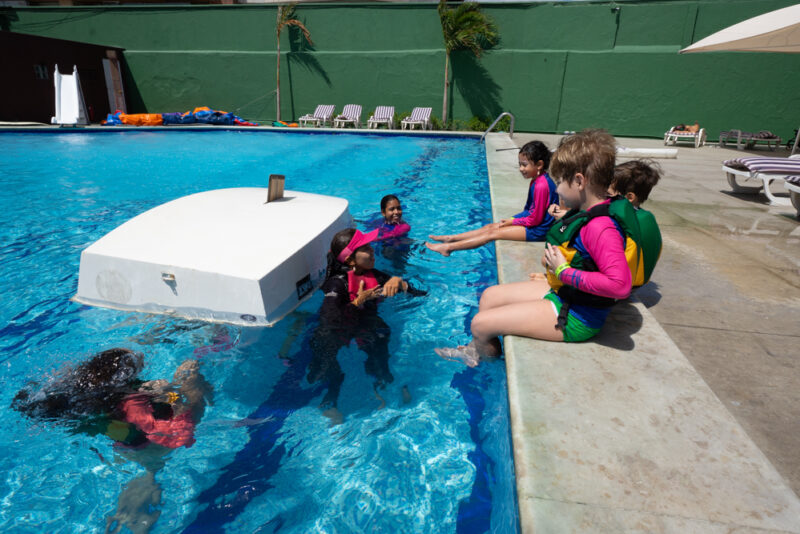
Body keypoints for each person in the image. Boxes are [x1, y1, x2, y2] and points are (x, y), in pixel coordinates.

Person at [435, 130, 634, 366]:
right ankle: (476, 351)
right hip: (566, 294)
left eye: (560, 182)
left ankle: (485, 364)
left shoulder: (601, 227)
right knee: (489, 296)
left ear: (580, 181)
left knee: (479, 324)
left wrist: (563, 272)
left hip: (578, 316)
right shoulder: (586, 214)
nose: (556, 189)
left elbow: (620, 286)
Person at [12, 348, 212, 533]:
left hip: (122, 444)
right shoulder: (132, 405)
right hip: (148, 447)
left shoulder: (79, 389)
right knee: (196, 392)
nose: (140, 356)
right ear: (123, 376)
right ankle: (142, 493)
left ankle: (142, 487)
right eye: (133, 358)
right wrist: (188, 386)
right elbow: (176, 436)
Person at [307, 228, 421, 424]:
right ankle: (329, 403)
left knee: (381, 333)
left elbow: (418, 293)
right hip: (336, 330)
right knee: (325, 359)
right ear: (351, 260)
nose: (372, 250)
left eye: (370, 245)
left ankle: (381, 384)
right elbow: (328, 319)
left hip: (363, 325)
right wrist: (356, 303)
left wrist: (399, 281)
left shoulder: (373, 275)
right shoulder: (337, 284)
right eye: (366, 248)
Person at [425, 140, 558, 256]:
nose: (520, 169)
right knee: (490, 227)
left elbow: (535, 219)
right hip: (535, 225)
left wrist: (512, 223)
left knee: (492, 234)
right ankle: (451, 238)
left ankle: (448, 248)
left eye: (524, 164)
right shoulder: (536, 180)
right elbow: (529, 210)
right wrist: (512, 219)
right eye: (519, 164)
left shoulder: (541, 185)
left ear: (539, 165)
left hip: (539, 231)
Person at [608, 159, 662, 286]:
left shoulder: (621, 222)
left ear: (629, 197)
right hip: (639, 282)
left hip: (622, 285)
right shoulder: (647, 217)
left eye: (608, 193)